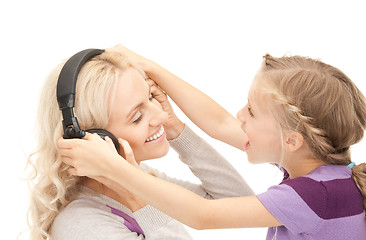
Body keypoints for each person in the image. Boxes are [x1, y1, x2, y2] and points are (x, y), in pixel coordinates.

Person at [58, 47, 366, 239]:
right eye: (137, 115)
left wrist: (119, 173)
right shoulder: (315, 166)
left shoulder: (313, 194)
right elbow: (219, 123)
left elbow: (204, 215)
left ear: (291, 140)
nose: (239, 115)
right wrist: (154, 73)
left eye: (252, 112)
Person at [27, 50, 254, 240]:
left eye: (152, 97)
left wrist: (177, 131)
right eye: (137, 117)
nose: (161, 116)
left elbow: (240, 205)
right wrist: (136, 196)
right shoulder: (83, 226)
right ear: (95, 137)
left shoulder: (142, 178)